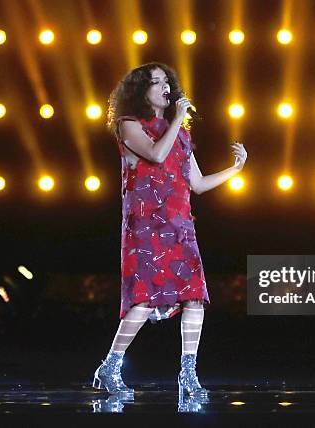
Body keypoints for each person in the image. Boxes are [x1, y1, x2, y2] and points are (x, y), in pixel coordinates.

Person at [92, 62, 247, 397]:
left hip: (179, 226)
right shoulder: (128, 125)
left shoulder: (182, 134)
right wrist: (177, 119)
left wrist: (236, 169)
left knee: (194, 298)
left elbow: (199, 184)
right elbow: (156, 155)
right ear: (140, 90)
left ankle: (188, 374)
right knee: (143, 301)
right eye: (155, 82)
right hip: (146, 227)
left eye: (167, 81)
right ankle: (110, 366)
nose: (164, 87)